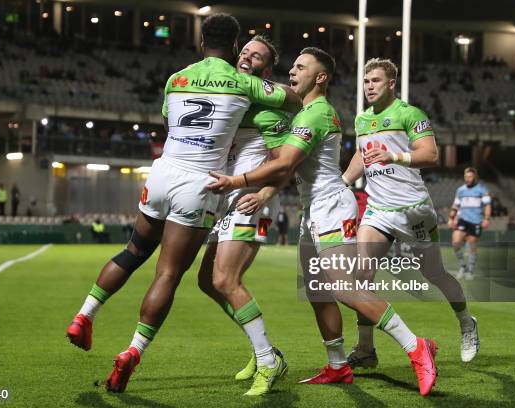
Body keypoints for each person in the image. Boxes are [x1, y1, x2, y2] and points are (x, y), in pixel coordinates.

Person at [65, 13, 301, 395]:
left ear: (201, 41)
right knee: (168, 275)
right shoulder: (243, 83)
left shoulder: (176, 78)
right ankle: (132, 352)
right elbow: (292, 98)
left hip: (161, 173)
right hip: (200, 183)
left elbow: (168, 125)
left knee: (133, 251)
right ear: (236, 45)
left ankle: (84, 314)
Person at [208, 48, 438, 396]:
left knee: (344, 286)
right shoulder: (303, 112)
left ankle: (415, 346)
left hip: (331, 206)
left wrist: (237, 181)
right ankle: (337, 366)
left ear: (321, 77)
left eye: (301, 67)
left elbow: (285, 163)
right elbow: (286, 165)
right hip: (312, 209)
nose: (292, 72)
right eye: (293, 66)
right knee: (318, 292)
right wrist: (268, 191)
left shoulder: (315, 113)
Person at [341, 58, 479, 366]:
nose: (369, 86)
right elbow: (361, 157)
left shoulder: (410, 114)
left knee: (435, 274)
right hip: (377, 210)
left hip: (413, 209)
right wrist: (344, 182)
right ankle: (366, 350)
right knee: (361, 275)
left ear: (391, 83)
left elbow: (430, 154)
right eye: (366, 81)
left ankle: (467, 322)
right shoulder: (362, 120)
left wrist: (393, 155)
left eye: (375, 80)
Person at [196, 34, 293, 395]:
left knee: (225, 280)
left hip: (252, 199)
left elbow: (284, 164)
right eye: (245, 51)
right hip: (229, 198)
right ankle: (262, 348)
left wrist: (264, 194)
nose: (246, 57)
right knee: (208, 281)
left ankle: (269, 361)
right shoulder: (234, 100)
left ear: (265, 69)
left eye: (256, 56)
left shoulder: (267, 107)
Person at [448, 168, 491, 280]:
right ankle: (463, 267)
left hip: (476, 221)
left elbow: (487, 205)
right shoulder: (460, 190)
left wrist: (486, 218)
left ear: (475, 177)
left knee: (472, 245)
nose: (467, 179)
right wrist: (451, 218)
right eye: (466, 177)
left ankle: (470, 270)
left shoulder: (482, 190)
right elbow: (455, 205)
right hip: (462, 220)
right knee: (456, 243)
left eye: (470, 177)